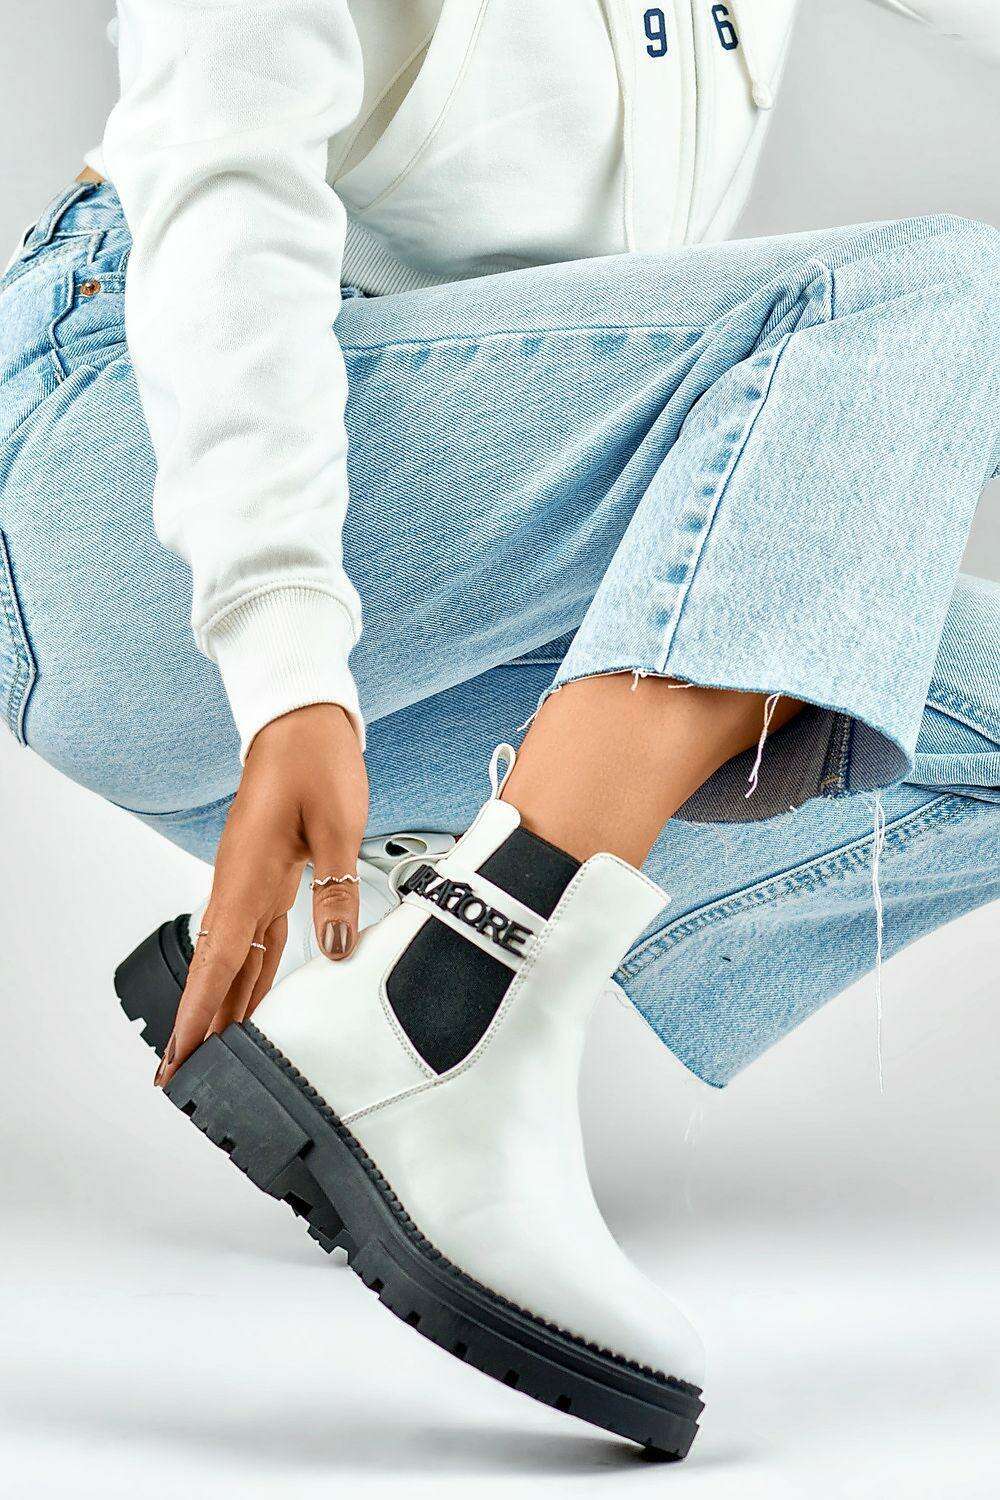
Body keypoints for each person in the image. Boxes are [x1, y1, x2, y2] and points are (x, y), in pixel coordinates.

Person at [1, 0, 997, 1457]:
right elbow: (224, 174)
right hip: (130, 477)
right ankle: (456, 1006)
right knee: (916, 297)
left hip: (444, 583)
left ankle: (404, 937)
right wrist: (283, 647)